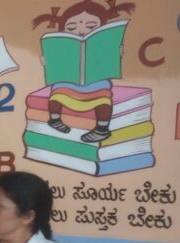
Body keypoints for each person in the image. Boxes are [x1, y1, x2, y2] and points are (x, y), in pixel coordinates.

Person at [33, 0, 135, 143]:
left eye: (91, 27)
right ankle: (55, 120)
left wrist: (117, 52)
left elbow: (109, 61)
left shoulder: (101, 48)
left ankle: (102, 129)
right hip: (67, 85)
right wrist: (46, 61)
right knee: (56, 96)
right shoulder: (64, 49)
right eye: (71, 27)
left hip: (96, 86)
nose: (81, 31)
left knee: (104, 101)